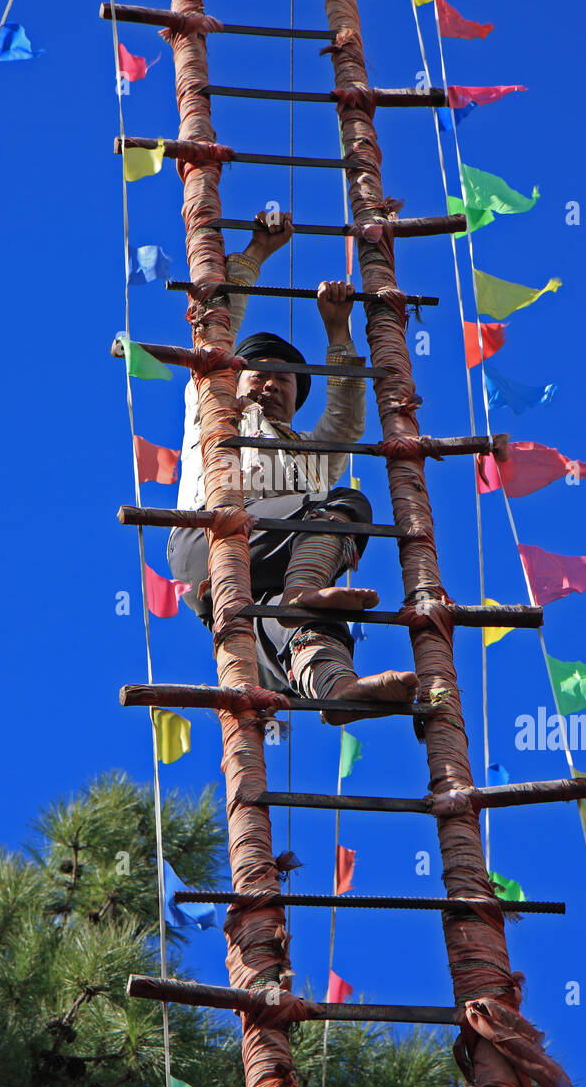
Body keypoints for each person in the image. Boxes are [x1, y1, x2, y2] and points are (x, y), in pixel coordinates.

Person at [167, 211, 419, 725]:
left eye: (285, 382)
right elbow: (218, 327)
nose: (270, 385)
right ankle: (302, 591)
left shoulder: (308, 450)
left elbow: (347, 422)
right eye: (260, 375)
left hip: (267, 567)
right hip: (209, 540)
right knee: (339, 505)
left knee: (308, 616)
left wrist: (338, 330)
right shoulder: (212, 404)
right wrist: (256, 253)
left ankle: (339, 688)